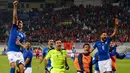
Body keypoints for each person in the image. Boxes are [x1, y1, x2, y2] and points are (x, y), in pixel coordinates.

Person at [7, 1, 26, 73]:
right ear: (17, 24)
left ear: (22, 25)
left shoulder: (23, 35)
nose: (20, 24)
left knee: (22, 69)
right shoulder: (14, 28)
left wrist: (20, 44)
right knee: (13, 65)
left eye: (21, 23)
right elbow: (14, 16)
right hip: (11, 51)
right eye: (19, 23)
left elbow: (24, 46)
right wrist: (15, 7)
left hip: (19, 53)